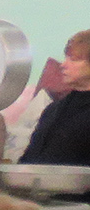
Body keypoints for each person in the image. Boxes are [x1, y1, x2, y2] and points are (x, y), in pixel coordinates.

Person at [18, 29, 90, 165]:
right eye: (66, 58)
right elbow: (29, 160)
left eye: (73, 59)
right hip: (37, 184)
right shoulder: (53, 109)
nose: (63, 65)